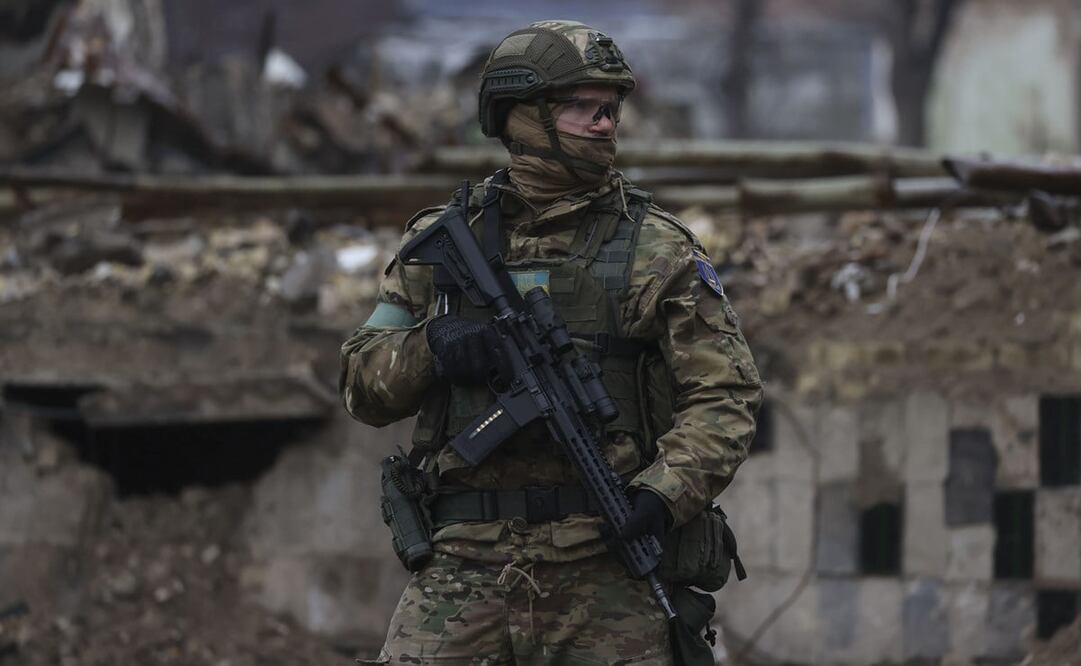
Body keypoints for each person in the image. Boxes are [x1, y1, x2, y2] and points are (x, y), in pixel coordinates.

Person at [340, 20, 762, 665]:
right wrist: (433, 347)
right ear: (521, 117)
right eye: (583, 108)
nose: (605, 125)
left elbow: (726, 397)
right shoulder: (443, 244)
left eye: (612, 110)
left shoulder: (657, 248)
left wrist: (661, 493)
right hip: (463, 567)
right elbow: (363, 387)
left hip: (603, 562)